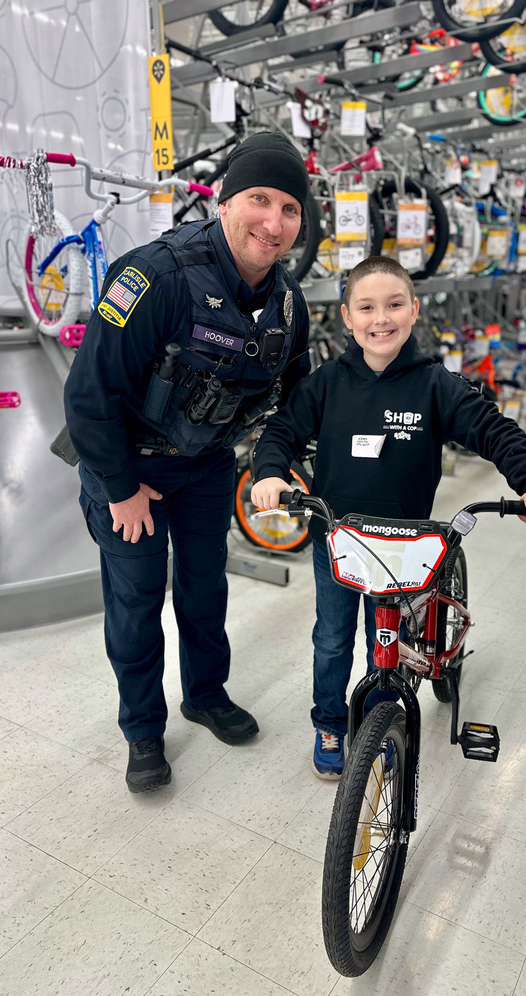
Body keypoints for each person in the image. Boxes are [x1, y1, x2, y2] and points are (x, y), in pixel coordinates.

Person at [64, 132, 312, 793]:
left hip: (206, 468)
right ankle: (143, 730)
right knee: (139, 599)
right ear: (225, 202)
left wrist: (274, 465)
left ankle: (205, 694)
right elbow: (88, 397)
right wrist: (119, 489)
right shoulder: (155, 277)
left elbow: (297, 399)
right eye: (259, 200)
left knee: (206, 589)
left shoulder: (290, 305)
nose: (274, 222)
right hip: (129, 469)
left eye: (290, 208)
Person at [250, 256, 526, 779]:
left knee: (386, 641)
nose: (381, 318)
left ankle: (379, 725)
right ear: (347, 318)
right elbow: (282, 431)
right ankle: (329, 723)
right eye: (366, 307)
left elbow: (493, 428)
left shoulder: (435, 385)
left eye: (394, 305)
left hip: (402, 547)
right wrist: (268, 472)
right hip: (337, 542)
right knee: (331, 637)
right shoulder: (325, 384)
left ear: (414, 310)